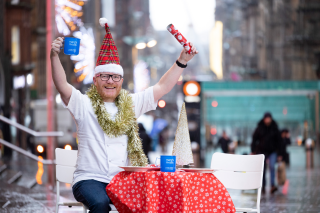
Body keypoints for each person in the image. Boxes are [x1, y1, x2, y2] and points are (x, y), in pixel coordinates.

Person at [50, 18, 198, 213]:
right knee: (100, 203)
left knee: (151, 200)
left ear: (121, 80)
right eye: (105, 76)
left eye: (115, 77)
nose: (110, 81)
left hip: (122, 179)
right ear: (96, 80)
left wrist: (182, 62)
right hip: (89, 179)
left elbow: (162, 87)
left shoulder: (131, 103)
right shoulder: (83, 103)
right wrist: (54, 56)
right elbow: (62, 86)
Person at [251, 112, 281, 194]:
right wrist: (253, 150)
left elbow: (279, 141)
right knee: (262, 169)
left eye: (269, 118)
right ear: (264, 119)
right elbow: (254, 139)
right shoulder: (259, 128)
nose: (268, 120)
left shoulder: (275, 128)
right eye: (266, 118)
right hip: (262, 151)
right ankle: (263, 186)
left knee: (272, 166)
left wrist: (280, 154)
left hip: (272, 151)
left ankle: (272, 185)